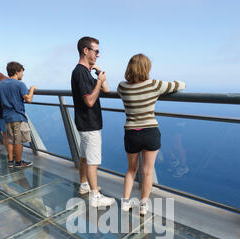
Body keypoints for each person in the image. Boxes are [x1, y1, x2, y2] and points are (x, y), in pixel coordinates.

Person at [117, 54, 186, 215]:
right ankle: (143, 205)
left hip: (131, 133)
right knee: (148, 171)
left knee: (131, 170)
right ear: (146, 68)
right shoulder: (154, 85)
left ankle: (126, 202)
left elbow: (124, 92)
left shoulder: (122, 87)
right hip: (150, 133)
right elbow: (180, 85)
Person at [71, 36, 115, 207]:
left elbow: (106, 89)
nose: (98, 55)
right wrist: (98, 82)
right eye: (96, 51)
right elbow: (89, 101)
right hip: (90, 123)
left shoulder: (86, 72)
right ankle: (95, 196)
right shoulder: (80, 73)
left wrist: (98, 73)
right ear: (86, 50)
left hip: (85, 123)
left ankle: (84, 185)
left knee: (84, 156)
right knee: (93, 160)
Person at [0, 61, 36, 168]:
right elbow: (28, 99)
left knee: (10, 140)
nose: (22, 75)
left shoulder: (2, 84)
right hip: (17, 117)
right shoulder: (20, 84)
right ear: (16, 71)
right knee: (18, 141)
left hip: (7, 116)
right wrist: (32, 89)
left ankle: (11, 161)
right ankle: (19, 163)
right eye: (21, 72)